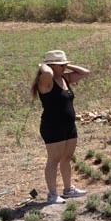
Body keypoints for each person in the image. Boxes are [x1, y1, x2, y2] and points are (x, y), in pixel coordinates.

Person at [32, 50, 90, 205]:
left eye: (64, 64)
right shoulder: (46, 81)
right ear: (50, 66)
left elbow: (85, 72)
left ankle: (68, 189)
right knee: (54, 160)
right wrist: (44, 65)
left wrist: (66, 64)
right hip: (53, 126)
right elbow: (47, 73)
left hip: (69, 125)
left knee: (67, 157)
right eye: (60, 64)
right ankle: (52, 194)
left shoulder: (65, 78)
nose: (63, 67)